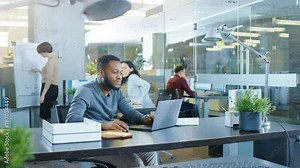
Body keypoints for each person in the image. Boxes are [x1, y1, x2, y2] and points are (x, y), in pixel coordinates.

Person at [65, 55, 158, 167]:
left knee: (150, 153)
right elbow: (71, 119)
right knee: (134, 162)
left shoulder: (116, 92)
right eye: (115, 72)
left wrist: (145, 119)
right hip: (89, 145)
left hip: (109, 141)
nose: (119, 77)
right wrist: (104, 125)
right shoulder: (86, 91)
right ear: (102, 73)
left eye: (120, 73)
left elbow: (129, 112)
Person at [31, 42, 59, 121]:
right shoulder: (54, 60)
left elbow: (49, 79)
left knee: (45, 114)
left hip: (48, 88)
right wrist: (38, 71)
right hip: (53, 88)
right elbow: (49, 75)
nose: (41, 55)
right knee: (48, 112)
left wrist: (43, 95)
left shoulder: (50, 62)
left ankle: (47, 131)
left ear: (44, 51)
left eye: (40, 53)